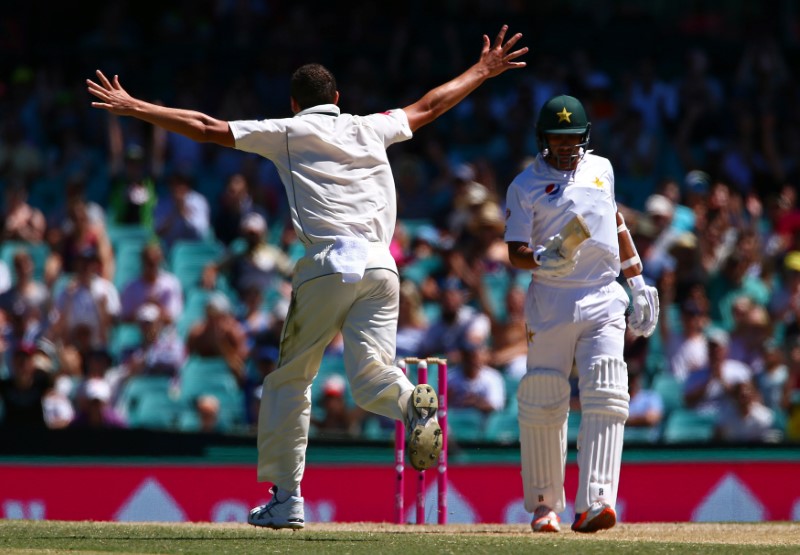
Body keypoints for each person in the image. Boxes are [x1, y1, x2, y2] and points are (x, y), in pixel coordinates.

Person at [87, 24, 527, 530]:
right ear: (338, 99)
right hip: (384, 268)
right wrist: (482, 69)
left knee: (289, 380)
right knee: (369, 382)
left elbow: (207, 126)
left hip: (330, 262)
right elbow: (431, 105)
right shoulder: (371, 126)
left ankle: (286, 498)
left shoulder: (288, 131)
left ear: (294, 104)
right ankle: (410, 402)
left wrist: (137, 107)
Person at [504, 94, 660, 533]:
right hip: (551, 298)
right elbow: (514, 251)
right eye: (558, 139)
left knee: (608, 388)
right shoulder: (524, 185)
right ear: (543, 139)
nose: (567, 147)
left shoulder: (601, 169)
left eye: (574, 138)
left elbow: (615, 223)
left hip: (602, 295)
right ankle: (543, 507)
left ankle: (595, 502)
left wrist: (636, 281)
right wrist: (539, 258)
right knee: (544, 396)